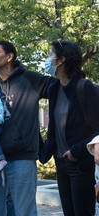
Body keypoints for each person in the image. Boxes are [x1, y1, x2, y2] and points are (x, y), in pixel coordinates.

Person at [0, 40, 52, 215]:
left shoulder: (30, 79)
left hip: (23, 157)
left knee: (25, 211)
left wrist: (74, 64)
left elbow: (61, 86)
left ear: (10, 57)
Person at [40, 40, 99, 216]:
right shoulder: (54, 88)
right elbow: (53, 128)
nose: (47, 59)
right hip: (61, 163)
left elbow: (97, 129)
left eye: (51, 54)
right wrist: (44, 152)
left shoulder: (84, 87)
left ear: (61, 60)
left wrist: (76, 151)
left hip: (80, 163)